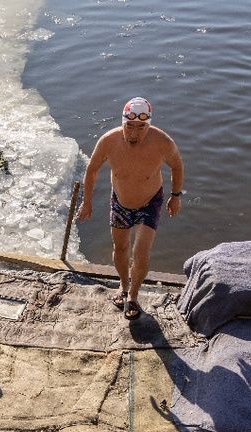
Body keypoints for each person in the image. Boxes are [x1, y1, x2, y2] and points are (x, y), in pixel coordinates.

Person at [77, 96, 184, 321]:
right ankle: (123, 287)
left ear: (149, 125)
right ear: (123, 122)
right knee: (121, 247)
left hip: (150, 202)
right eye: (130, 126)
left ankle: (134, 296)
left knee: (140, 251)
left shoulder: (162, 142)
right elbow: (92, 170)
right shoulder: (109, 141)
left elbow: (176, 165)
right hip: (120, 201)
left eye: (141, 127)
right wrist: (87, 202)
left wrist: (175, 196)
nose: (134, 133)